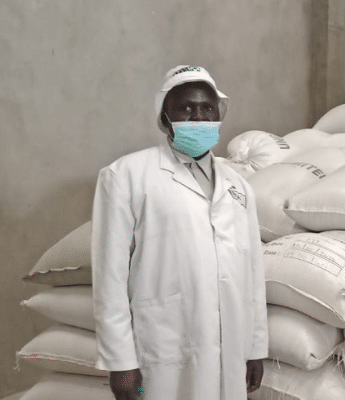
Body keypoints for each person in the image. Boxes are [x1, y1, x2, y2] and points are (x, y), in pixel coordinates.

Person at [91, 65, 269, 400]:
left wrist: (255, 345)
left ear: (219, 115)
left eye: (207, 108)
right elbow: (109, 277)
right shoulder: (126, 175)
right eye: (185, 108)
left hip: (231, 347)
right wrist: (119, 361)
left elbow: (253, 273)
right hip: (164, 344)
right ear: (165, 118)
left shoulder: (239, 187)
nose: (198, 116)